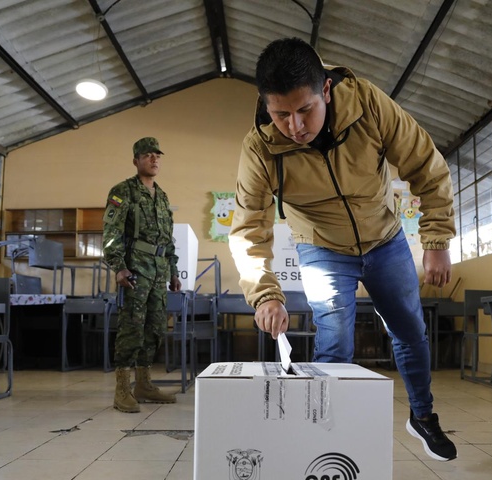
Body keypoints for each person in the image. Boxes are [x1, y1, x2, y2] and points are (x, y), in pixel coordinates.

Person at [228, 38, 457, 461]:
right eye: (281, 115)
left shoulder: (368, 104)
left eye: (305, 110)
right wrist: (265, 293)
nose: (295, 126)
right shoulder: (259, 149)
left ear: (326, 91)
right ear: (266, 104)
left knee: (409, 329)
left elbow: (426, 164)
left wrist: (436, 239)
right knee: (334, 341)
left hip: (385, 237)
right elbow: (248, 228)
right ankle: (327, 435)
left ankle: (423, 416)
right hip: (321, 246)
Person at [102, 137, 182, 413]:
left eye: (157, 155)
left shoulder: (162, 197)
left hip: (159, 271)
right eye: (148, 155)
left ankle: (144, 384)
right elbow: (111, 234)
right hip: (135, 269)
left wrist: (172, 269)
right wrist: (119, 266)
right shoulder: (123, 191)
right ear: (136, 160)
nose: (154, 159)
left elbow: (168, 239)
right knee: (132, 327)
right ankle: (122, 389)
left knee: (155, 327)